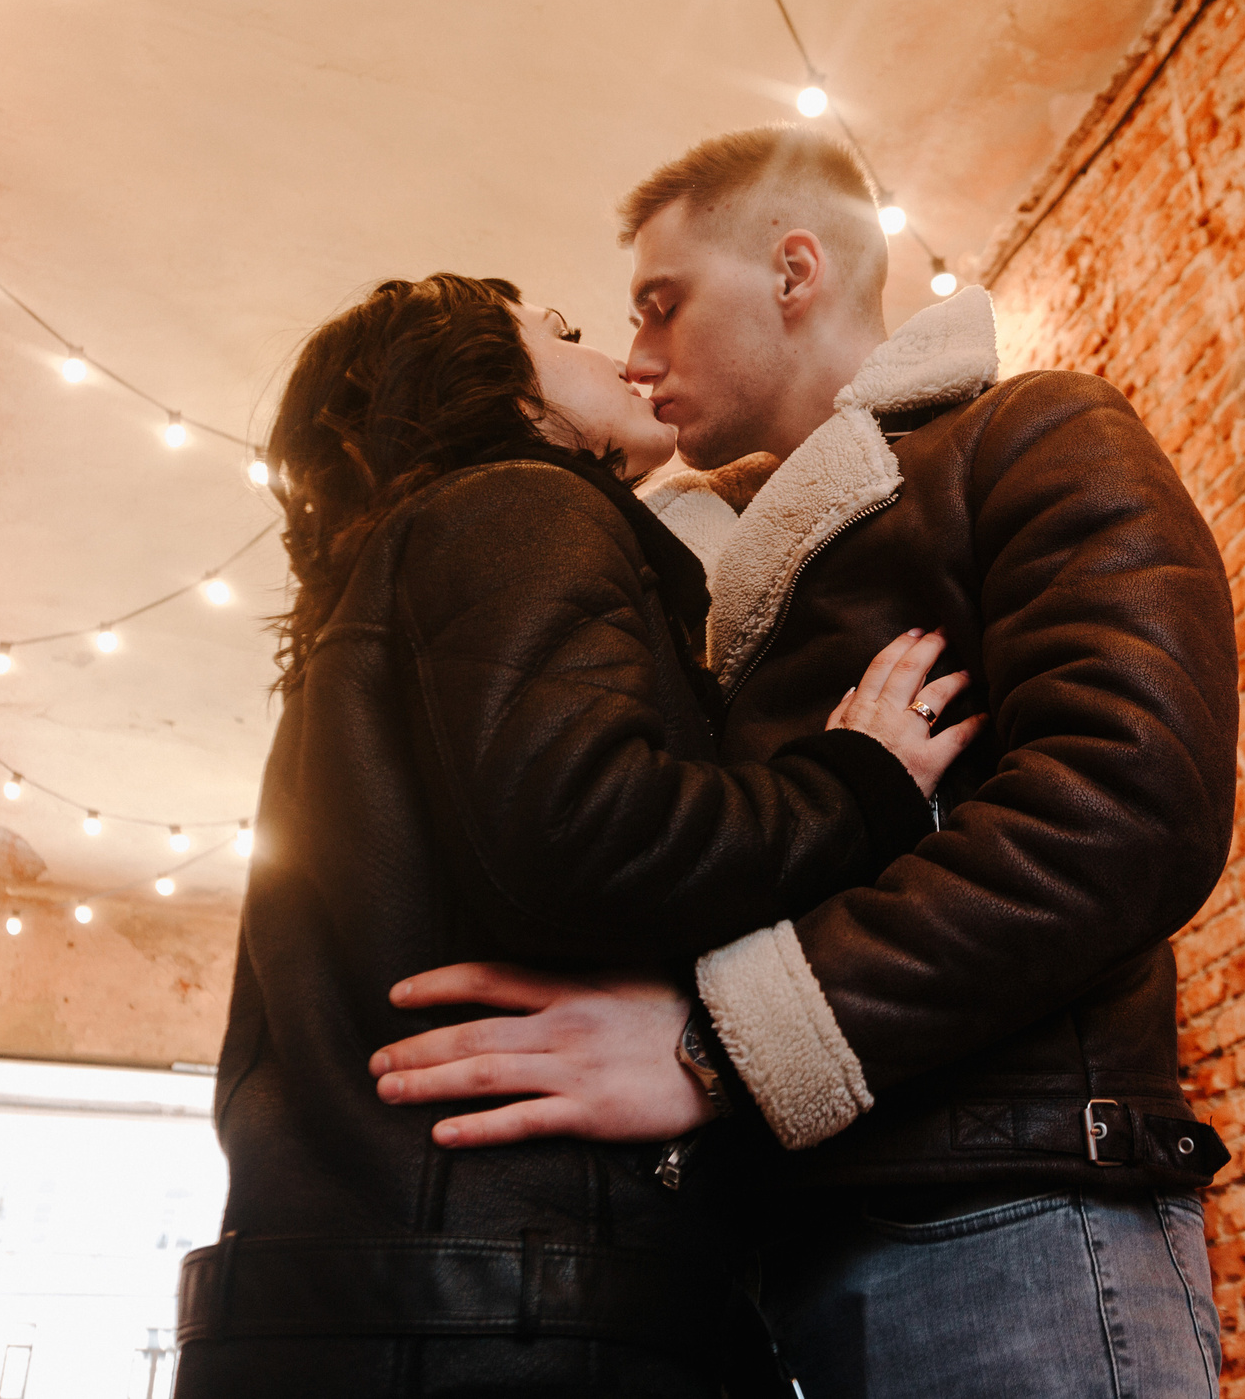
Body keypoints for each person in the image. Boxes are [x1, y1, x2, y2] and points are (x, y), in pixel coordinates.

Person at [369, 128, 1242, 1397]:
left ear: (793, 270)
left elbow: (1126, 806)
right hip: (771, 1250)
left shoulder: (1033, 432)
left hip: (1001, 1213)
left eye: (662, 307)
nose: (640, 358)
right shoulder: (689, 580)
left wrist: (717, 1046)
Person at [171, 274, 984, 1398]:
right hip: (512, 1313)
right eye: (562, 336)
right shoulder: (516, 502)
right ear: (483, 377)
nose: (625, 359)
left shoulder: (396, 575)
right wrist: (859, 783)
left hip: (358, 1302)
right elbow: (587, 833)